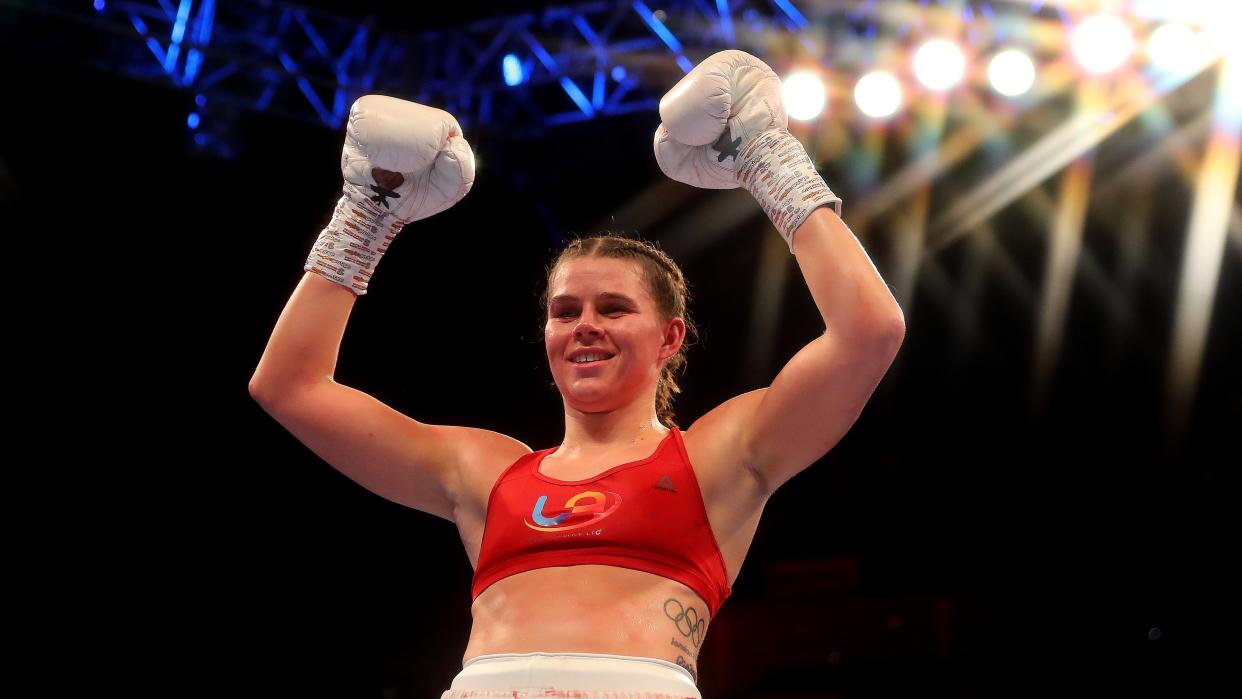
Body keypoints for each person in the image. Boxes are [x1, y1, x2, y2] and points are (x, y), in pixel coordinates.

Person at [250, 51, 906, 699]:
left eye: (613, 308)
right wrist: (365, 215)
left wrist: (771, 162)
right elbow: (288, 386)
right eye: (566, 311)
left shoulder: (717, 458)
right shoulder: (484, 470)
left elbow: (868, 333)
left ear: (670, 337)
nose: (584, 325)